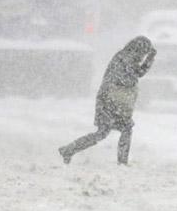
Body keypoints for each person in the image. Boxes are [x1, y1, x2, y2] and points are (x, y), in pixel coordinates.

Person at [59, 36, 157, 165]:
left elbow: (137, 73)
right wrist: (148, 60)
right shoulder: (124, 58)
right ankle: (121, 162)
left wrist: (149, 59)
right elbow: (131, 77)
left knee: (110, 131)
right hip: (109, 101)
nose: (143, 55)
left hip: (114, 101)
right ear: (139, 49)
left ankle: (69, 150)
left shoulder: (126, 57)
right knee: (111, 131)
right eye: (144, 52)